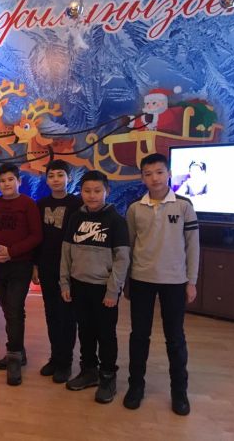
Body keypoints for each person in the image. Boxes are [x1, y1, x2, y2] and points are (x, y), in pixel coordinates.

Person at [124, 153, 199, 416]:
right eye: (148, 174)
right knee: (139, 336)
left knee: (175, 338)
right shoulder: (135, 209)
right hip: (141, 279)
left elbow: (193, 247)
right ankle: (136, 386)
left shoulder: (184, 205)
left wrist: (191, 281)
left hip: (175, 281)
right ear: (142, 178)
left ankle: (179, 392)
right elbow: (129, 246)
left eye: (159, 172)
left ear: (168, 174)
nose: (154, 178)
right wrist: (126, 280)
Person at [60, 170, 130, 404]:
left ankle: (108, 376)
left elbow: (122, 259)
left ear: (106, 191)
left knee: (106, 334)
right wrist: (65, 282)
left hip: (104, 290)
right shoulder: (75, 218)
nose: (92, 195)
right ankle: (89, 370)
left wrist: (113, 291)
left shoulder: (116, 221)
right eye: (87, 191)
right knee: (85, 331)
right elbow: (66, 253)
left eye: (97, 191)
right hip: (79, 286)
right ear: (80, 192)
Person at [0, 163, 42, 386]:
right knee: (9, 310)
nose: (6, 184)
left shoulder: (28, 204)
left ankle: (14, 355)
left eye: (11, 179)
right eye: (2, 180)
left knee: (15, 310)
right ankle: (18, 351)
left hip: (20, 265)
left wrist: (12, 252)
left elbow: (36, 236)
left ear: (19, 181)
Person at [31, 160, 82, 384]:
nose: (56, 180)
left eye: (60, 175)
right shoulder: (40, 204)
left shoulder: (78, 203)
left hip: (70, 269)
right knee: (51, 314)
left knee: (67, 316)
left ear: (68, 178)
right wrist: (35, 265)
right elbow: (36, 237)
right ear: (46, 179)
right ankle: (55, 357)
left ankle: (66, 362)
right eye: (51, 176)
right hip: (47, 267)